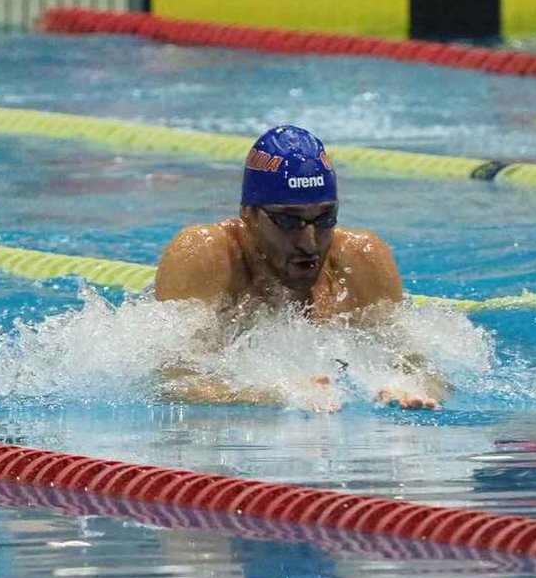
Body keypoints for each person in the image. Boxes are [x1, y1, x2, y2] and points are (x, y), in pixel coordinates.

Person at [154, 124, 443, 410]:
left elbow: (419, 365)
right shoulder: (206, 254)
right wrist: (266, 396)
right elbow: (174, 380)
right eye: (288, 221)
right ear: (248, 214)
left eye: (324, 218)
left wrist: (410, 387)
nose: (309, 242)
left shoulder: (360, 259)